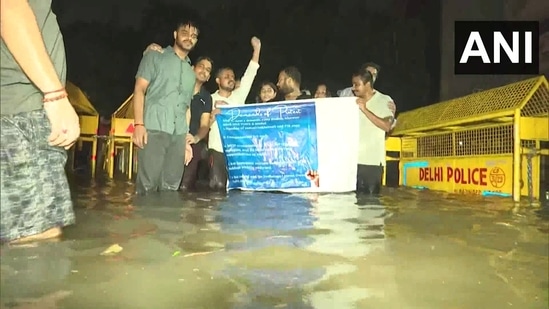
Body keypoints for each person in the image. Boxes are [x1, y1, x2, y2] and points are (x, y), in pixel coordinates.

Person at [0, 0, 80, 243]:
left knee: (38, 232)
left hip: (27, 110)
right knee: (37, 236)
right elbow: (9, 6)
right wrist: (55, 94)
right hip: (20, 113)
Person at [132, 20, 197, 194]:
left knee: (171, 187)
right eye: (185, 32)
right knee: (147, 187)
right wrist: (138, 125)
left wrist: (186, 142)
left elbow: (187, 107)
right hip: (154, 129)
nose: (189, 38)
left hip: (178, 135)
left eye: (193, 36)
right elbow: (139, 90)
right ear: (175, 35)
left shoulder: (192, 73)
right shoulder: (155, 56)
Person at [209, 37, 262, 190]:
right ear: (218, 80)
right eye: (226, 77)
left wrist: (257, 49)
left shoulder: (239, 96)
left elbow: (250, 73)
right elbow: (203, 125)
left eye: (232, 76)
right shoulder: (210, 99)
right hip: (217, 150)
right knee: (217, 186)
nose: (231, 79)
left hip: (237, 151)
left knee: (239, 189)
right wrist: (214, 115)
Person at [352, 68, 394, 195]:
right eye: (353, 84)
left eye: (357, 84)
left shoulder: (384, 100)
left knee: (371, 204)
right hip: (353, 162)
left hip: (372, 163)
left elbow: (387, 126)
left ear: (368, 84)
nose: (353, 88)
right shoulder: (351, 101)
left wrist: (365, 110)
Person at [339, 62, 397, 131]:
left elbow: (388, 126)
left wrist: (392, 116)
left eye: (374, 75)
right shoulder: (346, 94)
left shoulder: (384, 100)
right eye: (368, 73)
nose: (371, 77)